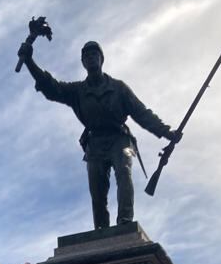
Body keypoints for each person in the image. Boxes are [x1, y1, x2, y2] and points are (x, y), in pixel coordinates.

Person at [18, 36, 181, 228]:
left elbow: (142, 113)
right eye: (87, 55)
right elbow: (51, 87)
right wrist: (29, 62)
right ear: (83, 62)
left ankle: (125, 220)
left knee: (124, 171)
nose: (91, 57)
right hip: (94, 143)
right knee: (97, 189)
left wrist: (166, 132)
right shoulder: (77, 91)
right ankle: (101, 230)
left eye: (94, 54)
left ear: (102, 59)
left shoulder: (119, 88)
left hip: (121, 139)